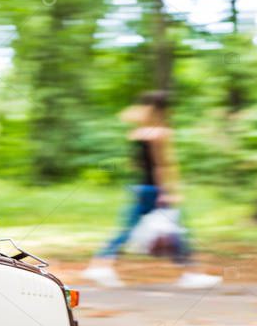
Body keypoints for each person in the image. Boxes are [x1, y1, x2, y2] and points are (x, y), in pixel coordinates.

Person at [82, 91, 221, 289]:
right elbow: (163, 165)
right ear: (163, 109)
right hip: (155, 190)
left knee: (129, 230)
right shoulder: (161, 133)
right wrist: (169, 191)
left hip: (139, 187)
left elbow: (136, 161)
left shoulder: (138, 133)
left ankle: (101, 265)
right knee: (179, 231)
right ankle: (191, 273)